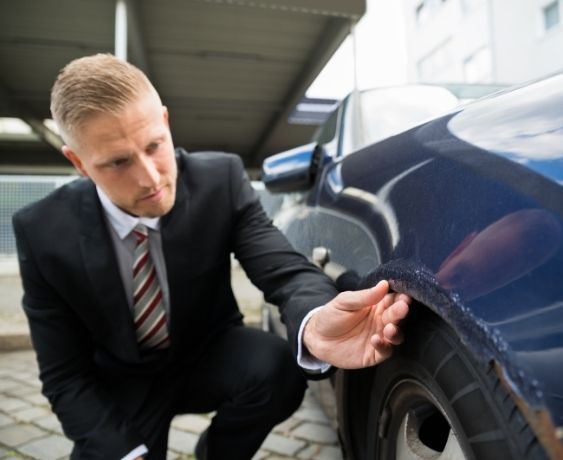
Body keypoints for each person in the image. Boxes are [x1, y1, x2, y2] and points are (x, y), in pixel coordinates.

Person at [12, 54, 410, 460]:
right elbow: (64, 376)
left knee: (276, 367)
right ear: (79, 163)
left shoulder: (219, 180)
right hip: (120, 383)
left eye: (154, 145)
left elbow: (285, 272)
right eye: (118, 162)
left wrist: (315, 323)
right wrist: (126, 454)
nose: (150, 178)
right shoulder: (41, 231)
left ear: (165, 122)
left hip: (206, 355)